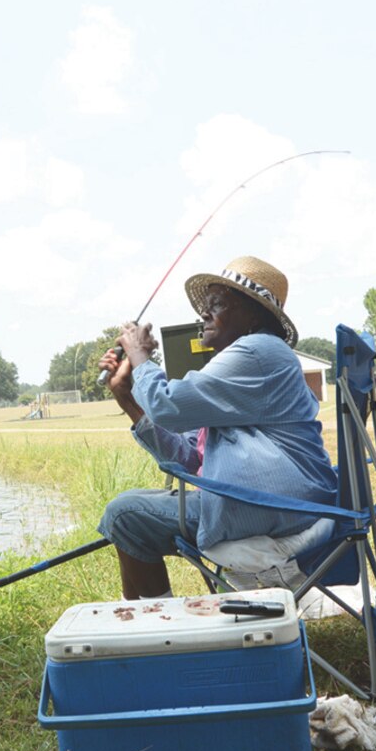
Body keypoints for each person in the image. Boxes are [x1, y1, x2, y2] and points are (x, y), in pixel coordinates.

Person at [97, 255, 337, 600]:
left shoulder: (259, 351)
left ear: (255, 313)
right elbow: (187, 456)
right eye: (205, 306)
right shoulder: (240, 365)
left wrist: (138, 355)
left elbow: (167, 405)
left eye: (218, 304)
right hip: (269, 502)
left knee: (126, 515)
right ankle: (146, 630)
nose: (205, 314)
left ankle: (160, 633)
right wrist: (127, 398)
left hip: (275, 505)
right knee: (128, 509)